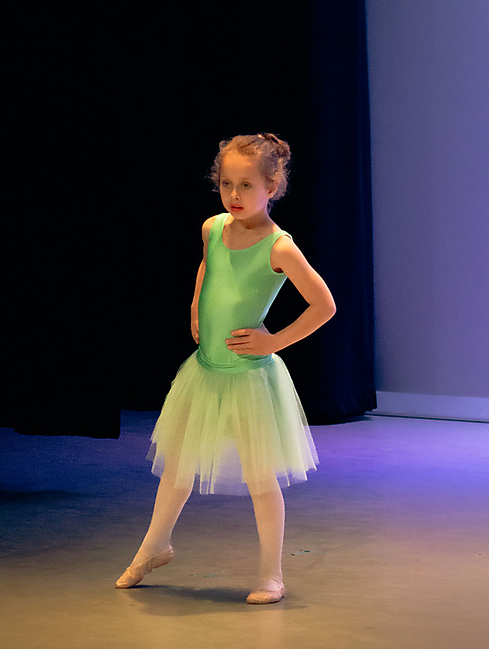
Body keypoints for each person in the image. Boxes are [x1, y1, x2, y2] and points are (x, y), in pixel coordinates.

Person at [115, 133, 336, 604]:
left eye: (246, 185)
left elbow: (324, 305)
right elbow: (207, 267)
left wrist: (273, 341)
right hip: (205, 371)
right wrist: (196, 304)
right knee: (178, 466)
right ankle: (154, 547)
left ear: (272, 187)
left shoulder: (279, 247)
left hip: (248, 378)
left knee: (261, 478)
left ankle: (272, 574)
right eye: (226, 184)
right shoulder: (213, 228)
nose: (234, 195)